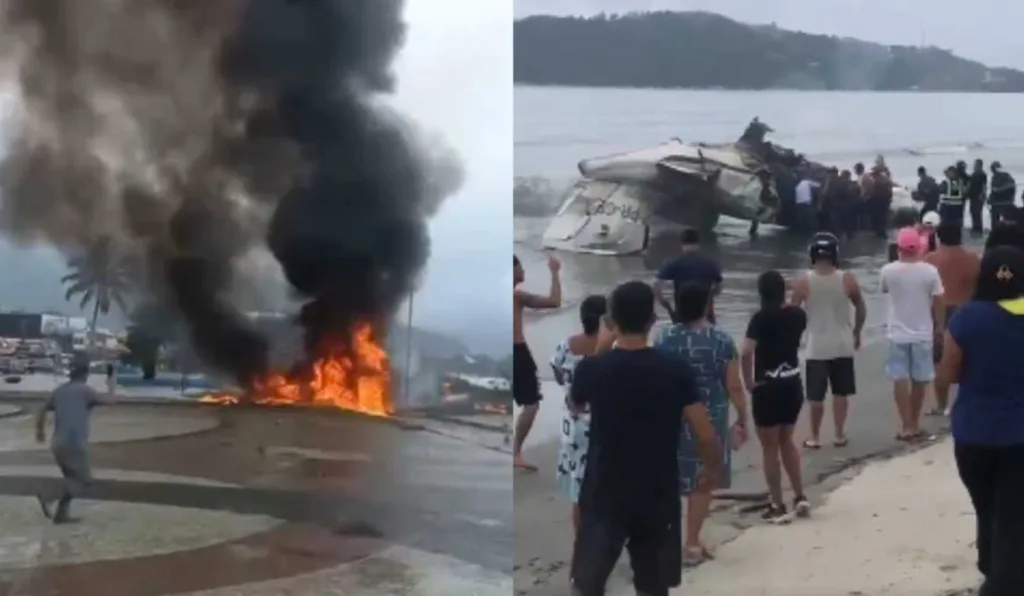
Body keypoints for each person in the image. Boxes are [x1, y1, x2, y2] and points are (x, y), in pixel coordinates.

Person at [569, 281, 721, 596]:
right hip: (657, 494)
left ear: (611, 321)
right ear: (652, 320)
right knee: (653, 585)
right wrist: (711, 468)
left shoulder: (593, 369)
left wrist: (600, 350)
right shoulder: (676, 370)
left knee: (587, 584)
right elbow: (705, 433)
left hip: (605, 493)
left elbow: (575, 405)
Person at [935, 246, 1024, 594]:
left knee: (985, 506)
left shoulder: (966, 318)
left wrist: (942, 403)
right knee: (1011, 513)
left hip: (973, 432)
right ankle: (1003, 582)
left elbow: (949, 371)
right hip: (1018, 436)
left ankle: (992, 570)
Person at [654, 282, 748, 565]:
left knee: (669, 478)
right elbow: (734, 385)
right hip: (710, 416)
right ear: (707, 305)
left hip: (670, 415)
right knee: (703, 481)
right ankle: (692, 543)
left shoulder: (664, 338)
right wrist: (743, 417)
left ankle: (665, 542)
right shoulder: (721, 340)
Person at [741, 271, 810, 523]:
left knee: (770, 448)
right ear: (783, 290)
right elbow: (800, 294)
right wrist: (791, 287)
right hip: (792, 384)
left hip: (767, 387)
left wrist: (749, 382)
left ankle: (777, 503)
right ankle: (800, 495)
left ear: (761, 293)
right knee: (787, 441)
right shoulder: (798, 315)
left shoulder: (760, 318)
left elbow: (746, 352)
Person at [790, 232, 866, 449]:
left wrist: (794, 341)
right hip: (843, 343)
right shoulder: (847, 279)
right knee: (840, 393)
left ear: (812, 254)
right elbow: (861, 308)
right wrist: (857, 333)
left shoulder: (803, 282)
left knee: (815, 397)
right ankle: (839, 435)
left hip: (817, 346)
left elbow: (793, 315)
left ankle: (815, 437)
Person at [552, 295, 607, 555]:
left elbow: (557, 375)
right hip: (602, 427)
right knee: (604, 488)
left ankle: (582, 544)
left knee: (578, 491)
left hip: (572, 427)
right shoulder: (610, 352)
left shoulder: (565, 346)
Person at [880, 228, 945, 441]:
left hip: (896, 333)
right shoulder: (930, 271)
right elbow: (939, 301)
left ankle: (906, 425)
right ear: (919, 248)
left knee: (899, 379)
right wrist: (939, 327)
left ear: (898, 248)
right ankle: (914, 424)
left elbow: (884, 290)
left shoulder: (888, 270)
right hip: (923, 333)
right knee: (919, 379)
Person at [35, 359, 116, 523]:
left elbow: (42, 409)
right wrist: (111, 383)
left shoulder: (59, 391)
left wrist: (40, 430)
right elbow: (110, 400)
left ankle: (61, 515)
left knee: (71, 480)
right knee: (83, 481)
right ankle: (49, 497)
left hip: (58, 444)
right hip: (74, 443)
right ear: (85, 374)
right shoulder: (85, 390)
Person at [923, 223, 980, 415]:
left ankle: (942, 405)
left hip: (938, 311)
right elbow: (980, 288)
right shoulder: (972, 259)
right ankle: (964, 401)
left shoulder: (929, 260)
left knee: (941, 363)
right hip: (966, 311)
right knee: (969, 361)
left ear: (939, 237)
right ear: (960, 236)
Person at [513, 253, 562, 471]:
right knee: (531, 403)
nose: (523, 270)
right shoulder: (516, 297)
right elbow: (554, 302)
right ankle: (515, 452)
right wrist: (554, 272)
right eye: (520, 266)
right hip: (517, 352)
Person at [655, 228, 723, 324]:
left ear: (682, 244)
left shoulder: (674, 263)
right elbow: (719, 287)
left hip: (682, 312)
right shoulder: (710, 263)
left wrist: (668, 307)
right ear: (698, 244)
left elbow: (657, 288)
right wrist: (710, 297)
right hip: (706, 312)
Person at [989, 161, 1017, 228]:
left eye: (994, 169)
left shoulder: (1006, 175)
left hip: (1006, 202)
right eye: (992, 169)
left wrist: (999, 190)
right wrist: (990, 198)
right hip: (996, 203)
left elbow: (1011, 185)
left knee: (1007, 221)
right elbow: (993, 190)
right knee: (994, 221)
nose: (993, 171)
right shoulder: (994, 178)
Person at [967, 158, 988, 234]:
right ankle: (975, 226)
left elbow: (984, 185)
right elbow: (969, 184)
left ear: (980, 165)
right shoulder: (973, 174)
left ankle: (978, 228)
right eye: (975, 164)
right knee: (972, 211)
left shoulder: (982, 174)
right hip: (972, 196)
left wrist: (983, 195)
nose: (975, 166)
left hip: (978, 195)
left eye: (976, 165)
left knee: (977, 212)